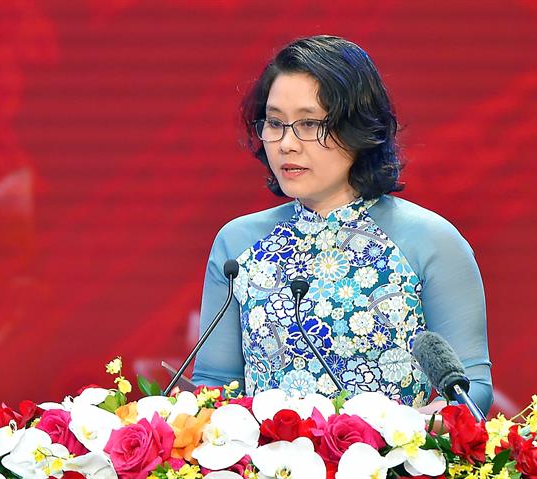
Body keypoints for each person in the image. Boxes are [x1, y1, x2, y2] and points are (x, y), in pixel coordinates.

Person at [191, 35, 493, 415]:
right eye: (275, 123)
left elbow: (470, 390)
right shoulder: (237, 245)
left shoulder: (432, 241)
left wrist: (400, 433)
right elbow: (214, 387)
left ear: (358, 128)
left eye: (308, 124)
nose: (286, 144)